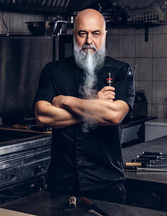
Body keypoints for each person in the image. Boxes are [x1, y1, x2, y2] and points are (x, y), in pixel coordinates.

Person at [34, 8, 135, 203]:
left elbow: (113, 116)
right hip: (61, 184)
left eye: (95, 33)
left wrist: (65, 101)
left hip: (106, 183)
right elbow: (43, 116)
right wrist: (95, 107)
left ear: (105, 35)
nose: (89, 41)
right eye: (83, 33)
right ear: (74, 35)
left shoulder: (121, 70)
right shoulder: (53, 70)